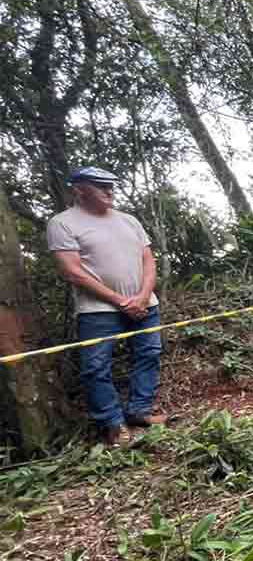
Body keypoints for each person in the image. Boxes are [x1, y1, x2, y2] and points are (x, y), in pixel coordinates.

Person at [48, 167, 167, 444]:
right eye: (100, 185)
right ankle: (112, 424)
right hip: (98, 310)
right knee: (96, 367)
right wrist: (121, 301)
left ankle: (140, 410)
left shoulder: (129, 220)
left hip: (144, 304)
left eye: (111, 185)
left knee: (148, 355)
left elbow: (148, 261)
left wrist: (142, 295)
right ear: (79, 189)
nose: (108, 190)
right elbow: (73, 272)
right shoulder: (63, 223)